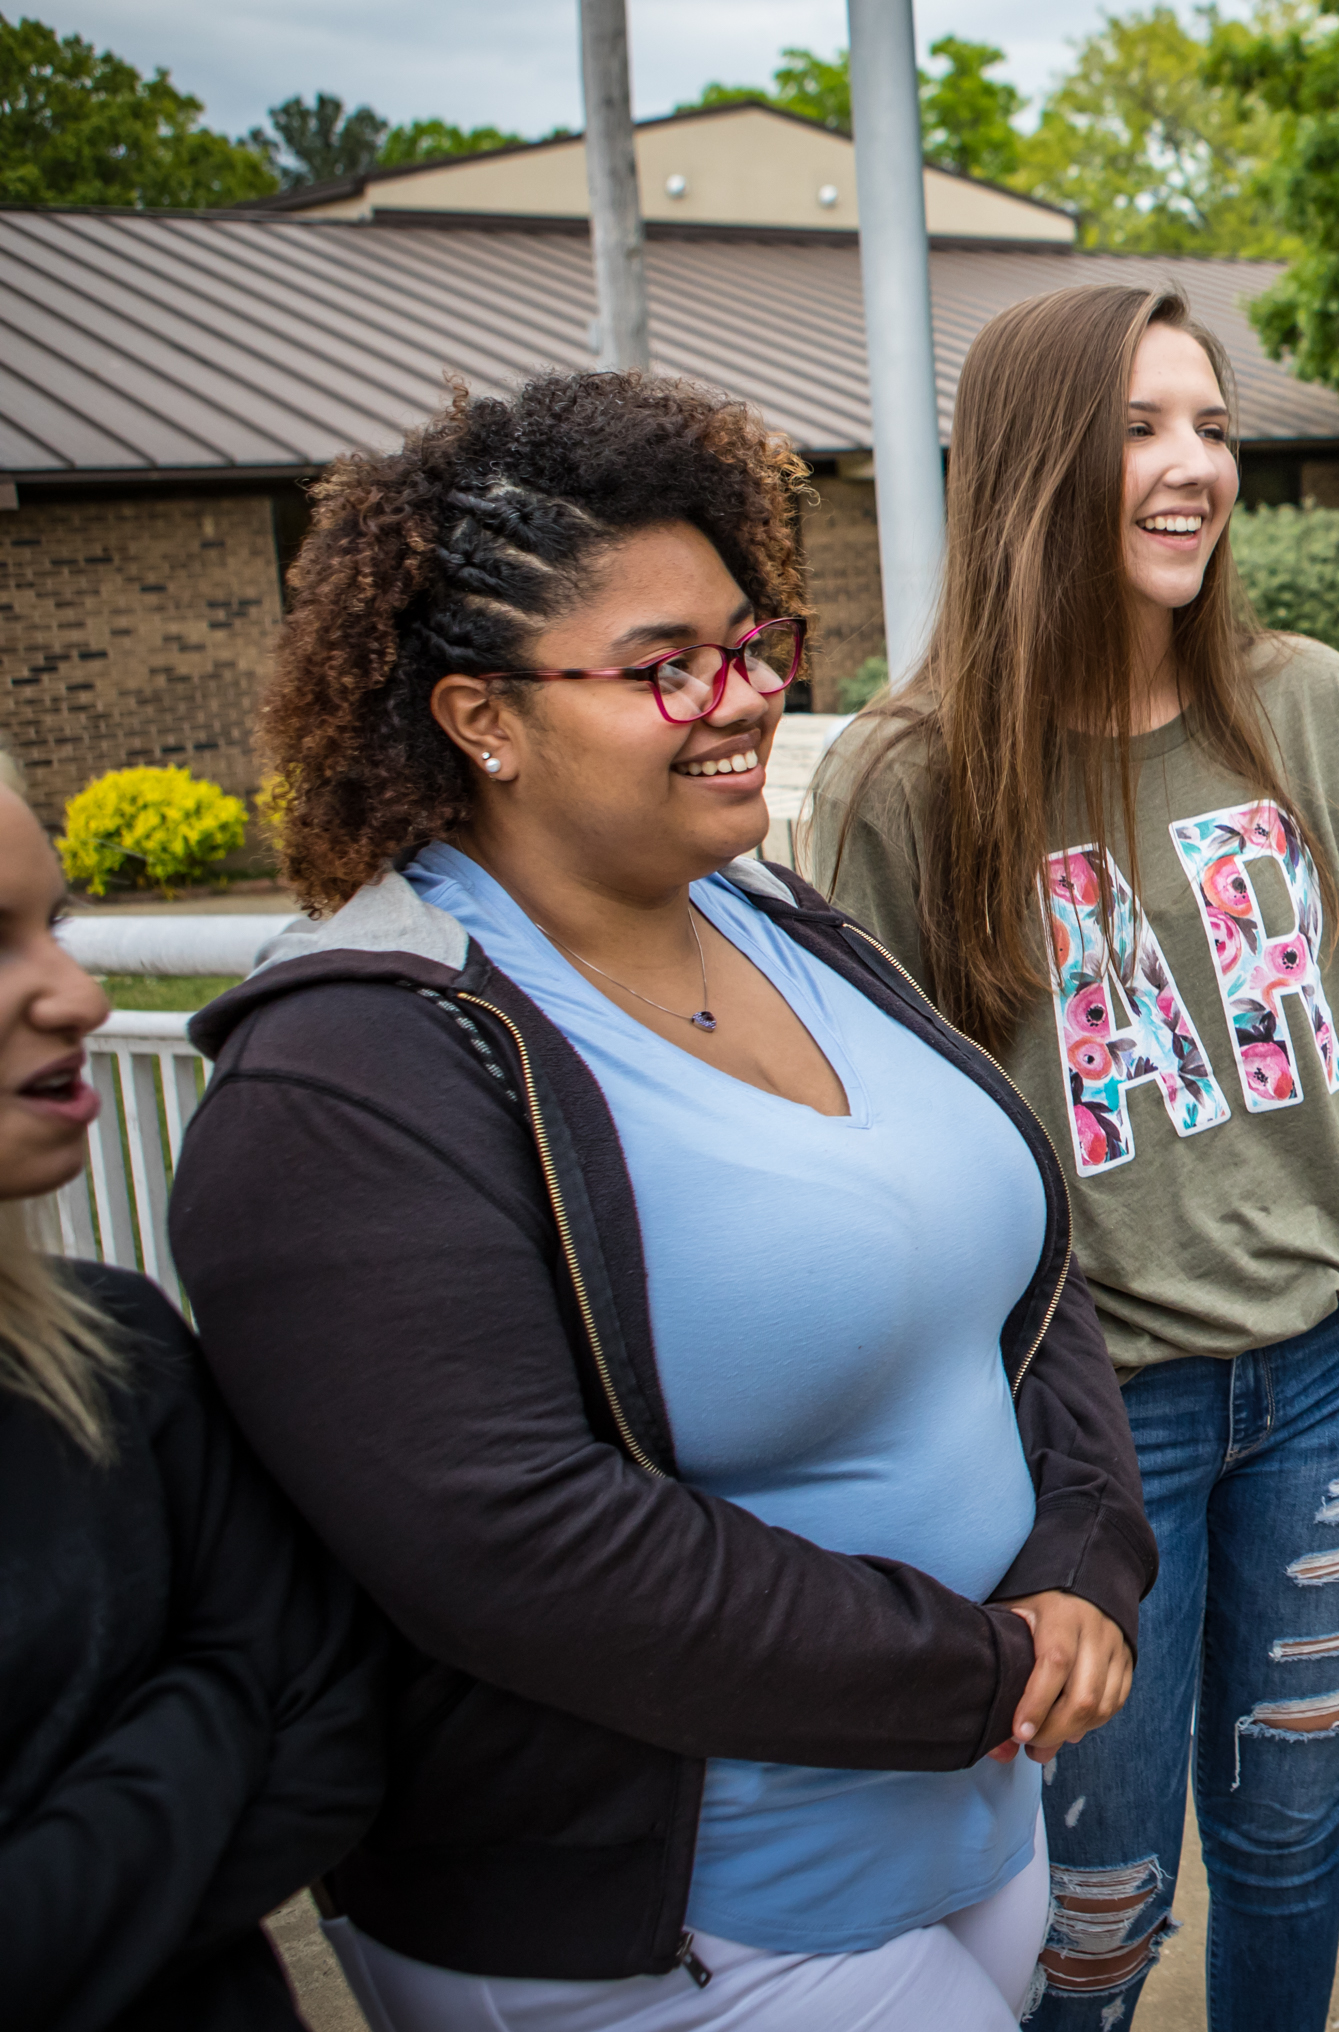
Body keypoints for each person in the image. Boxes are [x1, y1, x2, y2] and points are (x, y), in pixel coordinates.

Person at [166, 370, 1152, 2031]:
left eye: (750, 642)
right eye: (663, 667)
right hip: (667, 1937)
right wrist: (985, 1671)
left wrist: (1079, 1566)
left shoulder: (775, 912)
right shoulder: (352, 1073)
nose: (742, 697)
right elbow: (522, 1550)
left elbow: (1022, 1278)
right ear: (484, 717)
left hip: (972, 1832)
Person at [810, 284, 1339, 2032]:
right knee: (1093, 1905)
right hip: (1095, 1432)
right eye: (1141, 428)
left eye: (1211, 427)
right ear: (1039, 463)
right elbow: (888, 1169)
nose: (1195, 468)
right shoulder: (911, 777)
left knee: (1293, 1837)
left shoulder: (1308, 707)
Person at [0, 772, 382, 2032]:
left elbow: (329, 1728)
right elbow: (270, 1689)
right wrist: (215, 1706)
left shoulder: (114, 1354)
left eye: (52, 926)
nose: (82, 999)